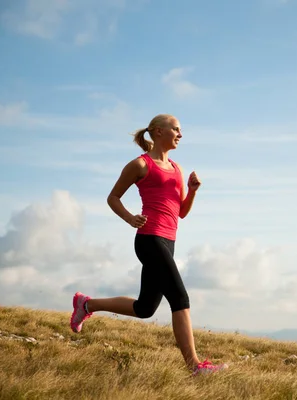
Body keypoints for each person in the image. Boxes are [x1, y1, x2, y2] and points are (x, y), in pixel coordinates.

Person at [70, 114, 227, 376]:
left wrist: (192, 191)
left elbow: (181, 213)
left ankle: (86, 305)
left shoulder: (176, 169)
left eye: (181, 130)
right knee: (180, 298)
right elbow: (113, 197)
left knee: (145, 308)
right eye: (175, 129)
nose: (180, 134)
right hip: (149, 239)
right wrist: (130, 218)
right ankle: (195, 366)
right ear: (157, 132)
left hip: (168, 240)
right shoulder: (140, 165)